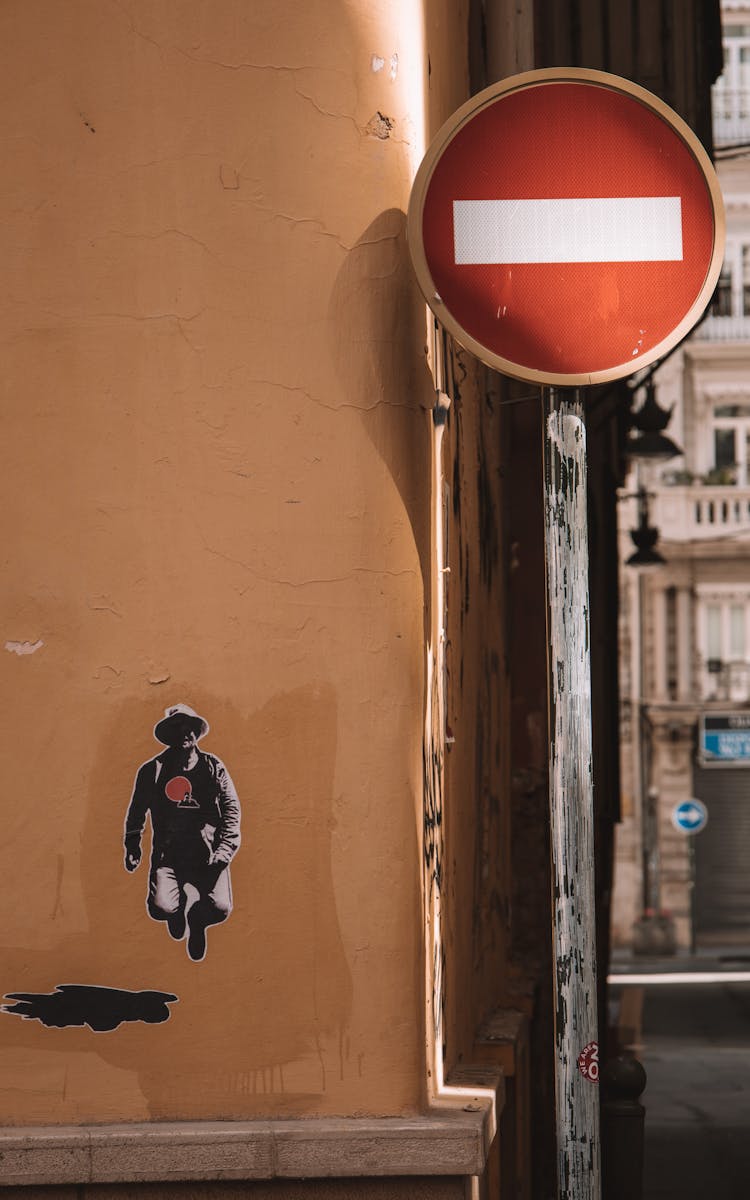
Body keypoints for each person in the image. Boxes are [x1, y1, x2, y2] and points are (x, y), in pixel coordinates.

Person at [123, 704, 241, 962]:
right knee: (160, 908)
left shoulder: (213, 767)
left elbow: (232, 810)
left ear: (197, 733)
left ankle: (196, 919)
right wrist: (133, 844)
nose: (185, 733)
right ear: (170, 735)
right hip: (169, 857)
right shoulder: (153, 770)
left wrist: (224, 851)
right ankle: (178, 910)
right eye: (178, 729)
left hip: (208, 856)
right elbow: (137, 810)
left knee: (220, 910)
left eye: (190, 728)